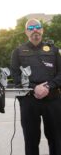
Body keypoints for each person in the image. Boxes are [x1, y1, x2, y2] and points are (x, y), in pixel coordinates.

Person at [11, 19, 61, 155]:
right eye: (31, 28)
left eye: (38, 27)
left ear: (42, 30)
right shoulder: (18, 51)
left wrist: (49, 86)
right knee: (31, 141)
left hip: (52, 99)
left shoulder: (54, 50)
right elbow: (15, 77)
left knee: (57, 140)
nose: (35, 30)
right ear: (26, 32)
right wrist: (34, 89)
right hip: (29, 100)